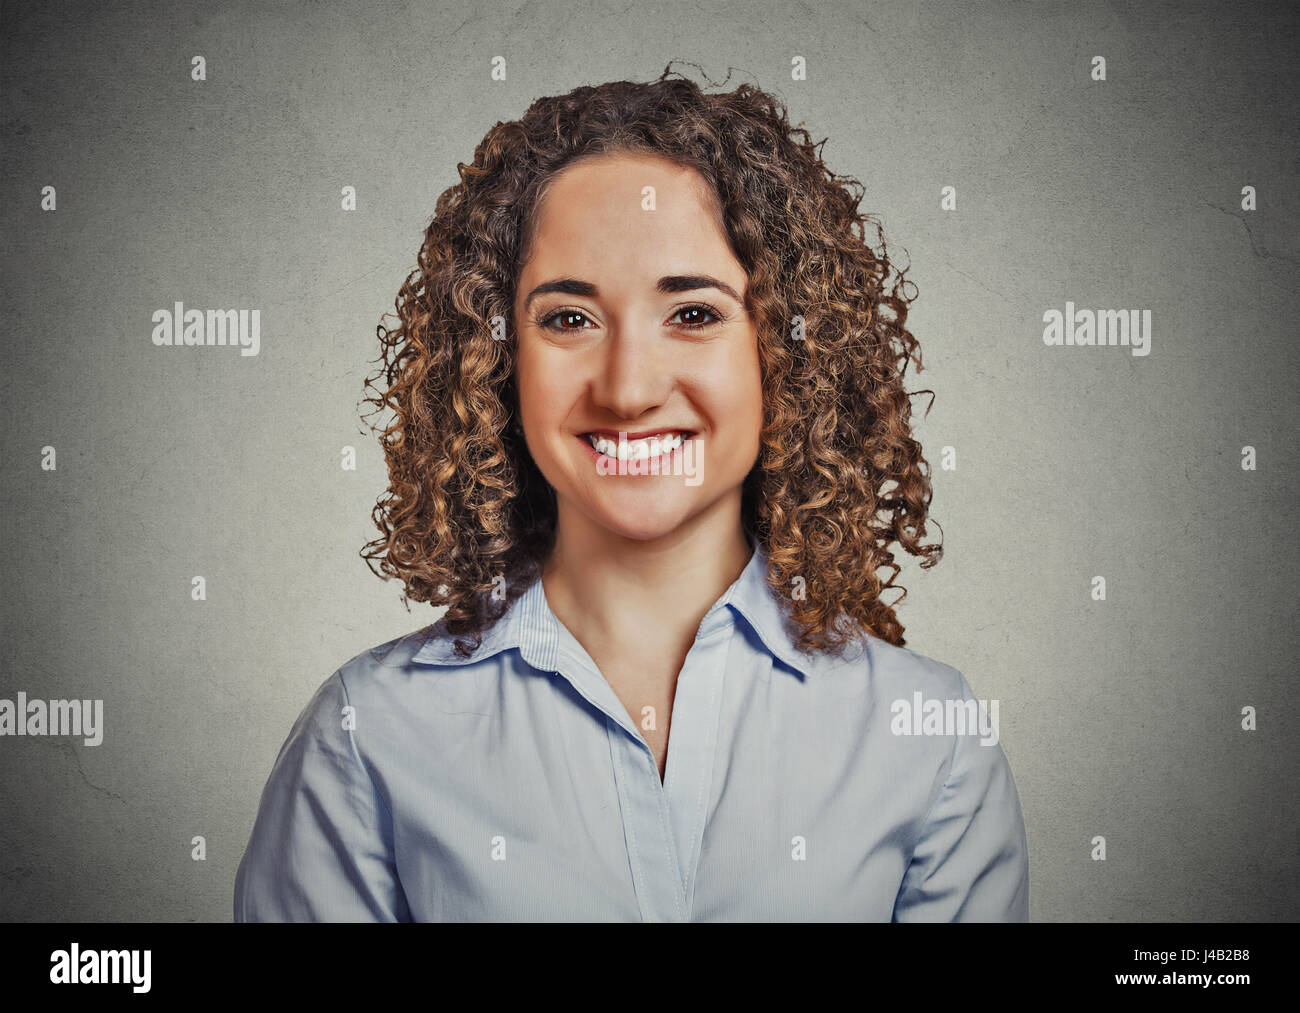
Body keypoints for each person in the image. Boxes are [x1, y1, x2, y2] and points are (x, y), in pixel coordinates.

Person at [234, 68, 1029, 922]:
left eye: (692, 313)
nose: (628, 388)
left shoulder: (933, 738)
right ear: (495, 361)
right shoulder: (367, 738)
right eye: (569, 319)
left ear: (787, 353)